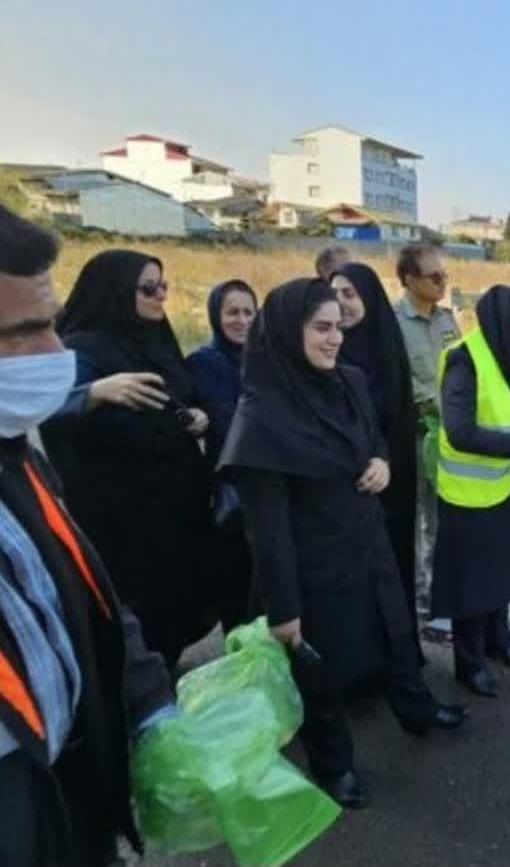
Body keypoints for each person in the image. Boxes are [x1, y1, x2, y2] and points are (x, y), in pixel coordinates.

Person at [220, 278, 465, 808]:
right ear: (288, 332)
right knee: (323, 672)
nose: (335, 338)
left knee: (398, 634)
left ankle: (417, 709)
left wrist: (381, 462)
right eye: (321, 328)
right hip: (313, 566)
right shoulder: (260, 418)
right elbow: (267, 529)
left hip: (367, 540)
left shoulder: (348, 380)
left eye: (338, 326)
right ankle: (334, 765)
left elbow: (373, 436)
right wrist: (284, 611)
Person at [0, 203, 174, 867]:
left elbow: (74, 579)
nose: (57, 352)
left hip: (66, 798)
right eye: (25, 331)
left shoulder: (16, 447)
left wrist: (147, 696)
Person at [40, 250, 218, 667]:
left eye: (164, 286)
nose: (160, 296)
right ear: (116, 292)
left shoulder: (153, 339)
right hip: (122, 517)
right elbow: (43, 408)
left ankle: (162, 681)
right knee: (138, 615)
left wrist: (191, 418)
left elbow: (171, 399)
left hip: (171, 505)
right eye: (148, 288)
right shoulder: (82, 348)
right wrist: (94, 394)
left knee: (177, 600)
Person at [433, 286, 510, 698]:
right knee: (471, 585)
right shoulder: (464, 359)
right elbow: (460, 430)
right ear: (506, 320)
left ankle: (498, 640)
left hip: (499, 488)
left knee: (501, 571)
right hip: (465, 495)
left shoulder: (509, 354)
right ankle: (469, 664)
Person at [331, 264, 420, 618]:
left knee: (390, 567)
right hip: (341, 485)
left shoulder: (387, 352)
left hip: (390, 483)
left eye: (348, 294)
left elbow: (397, 420)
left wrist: (383, 459)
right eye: (333, 294)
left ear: (368, 297)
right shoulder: (324, 352)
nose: (340, 303)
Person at [185, 279, 258, 633]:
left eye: (248, 312)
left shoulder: (266, 359)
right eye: (232, 312)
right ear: (216, 315)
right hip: (230, 490)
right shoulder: (201, 362)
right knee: (234, 585)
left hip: (269, 485)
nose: (241, 320)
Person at [393, 243, 461, 623]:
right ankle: (418, 595)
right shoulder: (392, 323)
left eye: (444, 275)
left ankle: (435, 589)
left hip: (450, 436)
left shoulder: (447, 321)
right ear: (409, 279)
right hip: (415, 435)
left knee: (440, 517)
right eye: (434, 277)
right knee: (418, 518)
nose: (442, 282)